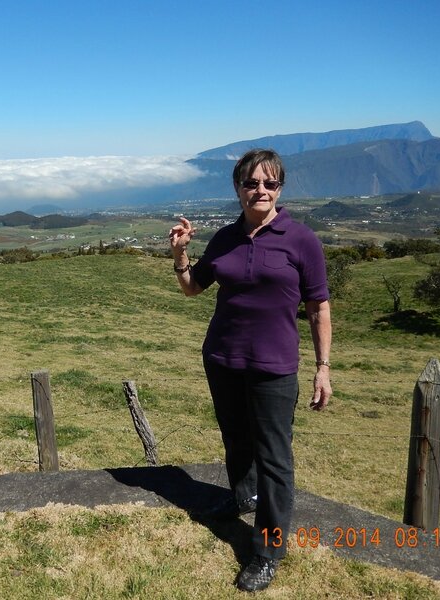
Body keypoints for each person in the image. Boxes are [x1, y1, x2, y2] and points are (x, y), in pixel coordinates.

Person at [169, 148, 332, 592]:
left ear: (280, 188)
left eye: (270, 183)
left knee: (275, 459)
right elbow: (192, 288)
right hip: (223, 358)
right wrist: (182, 256)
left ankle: (268, 548)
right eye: (251, 182)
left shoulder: (301, 240)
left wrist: (322, 367)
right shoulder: (224, 237)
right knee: (236, 438)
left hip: (274, 367)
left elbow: (318, 308)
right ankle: (242, 497)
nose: (260, 190)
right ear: (238, 187)